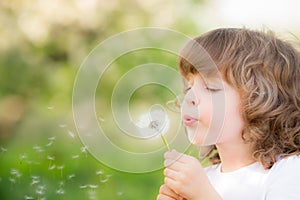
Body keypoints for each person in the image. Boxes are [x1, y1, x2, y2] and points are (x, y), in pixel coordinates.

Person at [157, 28, 300, 200]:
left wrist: (203, 196)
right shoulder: (205, 179)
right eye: (189, 87)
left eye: (210, 87)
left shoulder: (288, 173)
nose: (189, 98)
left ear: (262, 101)